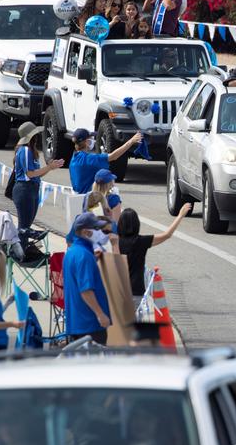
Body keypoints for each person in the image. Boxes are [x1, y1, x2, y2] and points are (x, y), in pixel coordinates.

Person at [117, 205, 191, 297]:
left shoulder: (114, 242)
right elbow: (167, 235)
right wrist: (180, 216)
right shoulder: (141, 241)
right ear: (137, 224)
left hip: (118, 292)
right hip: (136, 291)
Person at [63, 212, 114, 345]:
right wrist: (100, 314)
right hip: (90, 324)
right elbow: (86, 291)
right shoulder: (84, 256)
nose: (100, 232)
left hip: (77, 323)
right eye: (96, 229)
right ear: (86, 232)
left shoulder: (72, 252)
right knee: (94, 364)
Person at [12, 122, 63, 245]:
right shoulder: (24, 150)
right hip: (24, 190)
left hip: (33, 189)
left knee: (27, 225)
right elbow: (30, 174)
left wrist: (50, 167)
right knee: (24, 226)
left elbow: (37, 174)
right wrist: (49, 167)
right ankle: (20, 252)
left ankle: (23, 250)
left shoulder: (31, 151)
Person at [68, 128, 142, 194]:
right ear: (87, 142)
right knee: (114, 192)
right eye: (91, 138)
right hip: (90, 200)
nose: (93, 140)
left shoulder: (73, 158)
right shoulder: (90, 158)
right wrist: (131, 141)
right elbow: (114, 156)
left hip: (78, 198)